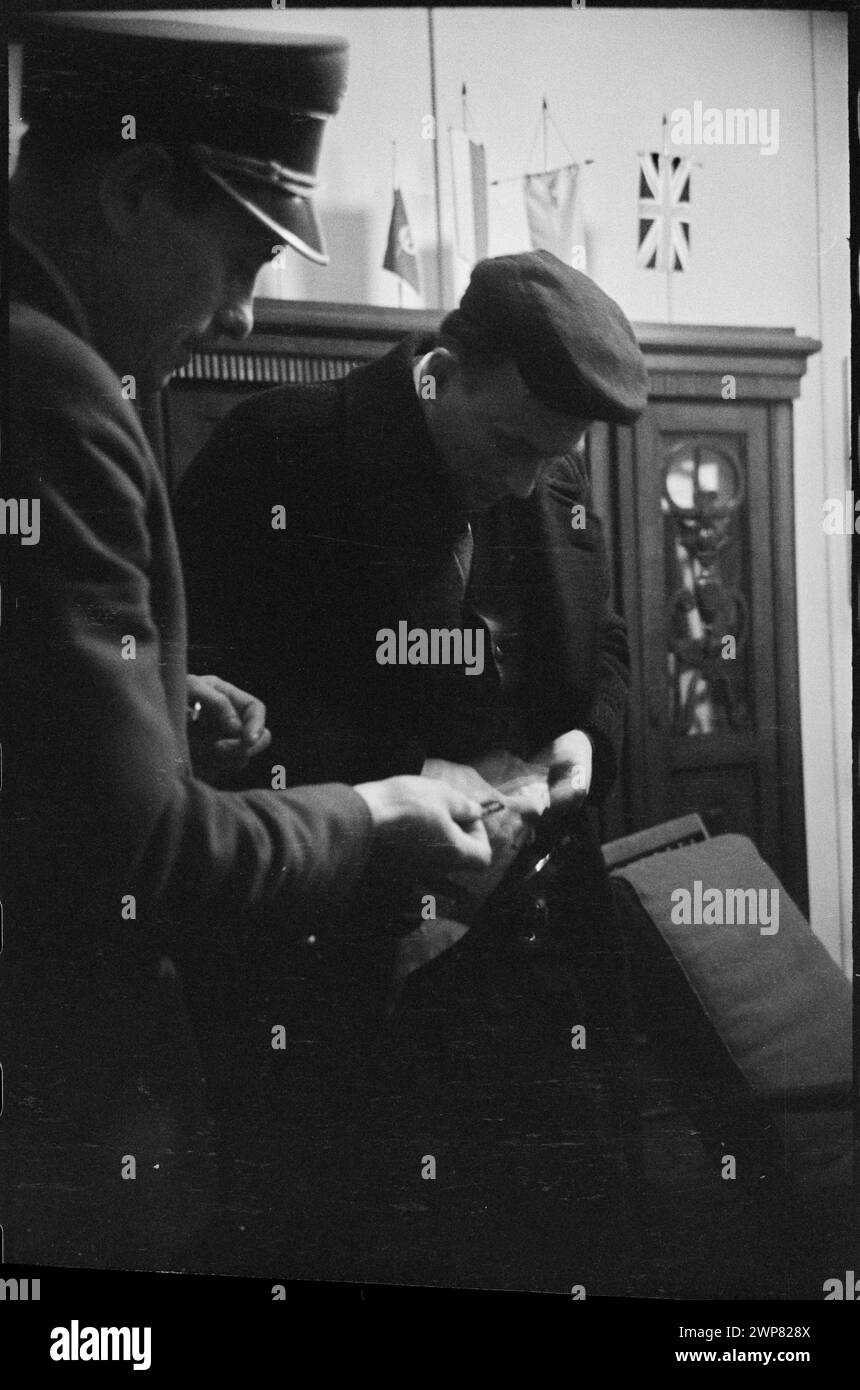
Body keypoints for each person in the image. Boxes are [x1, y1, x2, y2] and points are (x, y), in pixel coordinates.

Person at [1, 12, 491, 1271]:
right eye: (242, 256)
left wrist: (160, 698)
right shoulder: (49, 388)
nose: (240, 312)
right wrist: (379, 810)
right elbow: (145, 856)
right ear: (136, 187)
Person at [173, 252, 651, 1288]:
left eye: (551, 456)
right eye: (511, 444)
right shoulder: (278, 454)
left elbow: (602, 648)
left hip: (536, 943)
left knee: (585, 1231)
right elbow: (192, 708)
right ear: (442, 369)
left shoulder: (546, 469)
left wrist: (589, 742)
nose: (528, 480)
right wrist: (396, 782)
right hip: (342, 974)